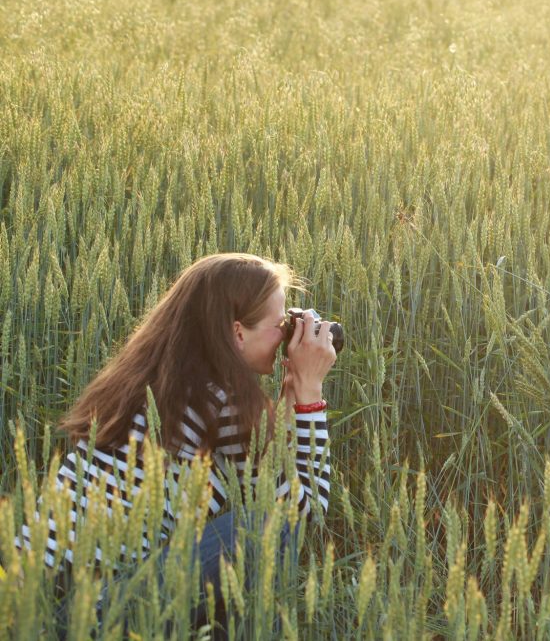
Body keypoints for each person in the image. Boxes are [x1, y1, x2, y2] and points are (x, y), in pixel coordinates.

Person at [16, 253, 336, 634]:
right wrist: (310, 392)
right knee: (270, 527)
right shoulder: (221, 398)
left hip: (26, 608)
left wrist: (289, 398)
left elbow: (267, 474)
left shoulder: (146, 384)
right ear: (237, 333)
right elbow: (304, 507)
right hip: (93, 618)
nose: (286, 335)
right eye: (281, 324)